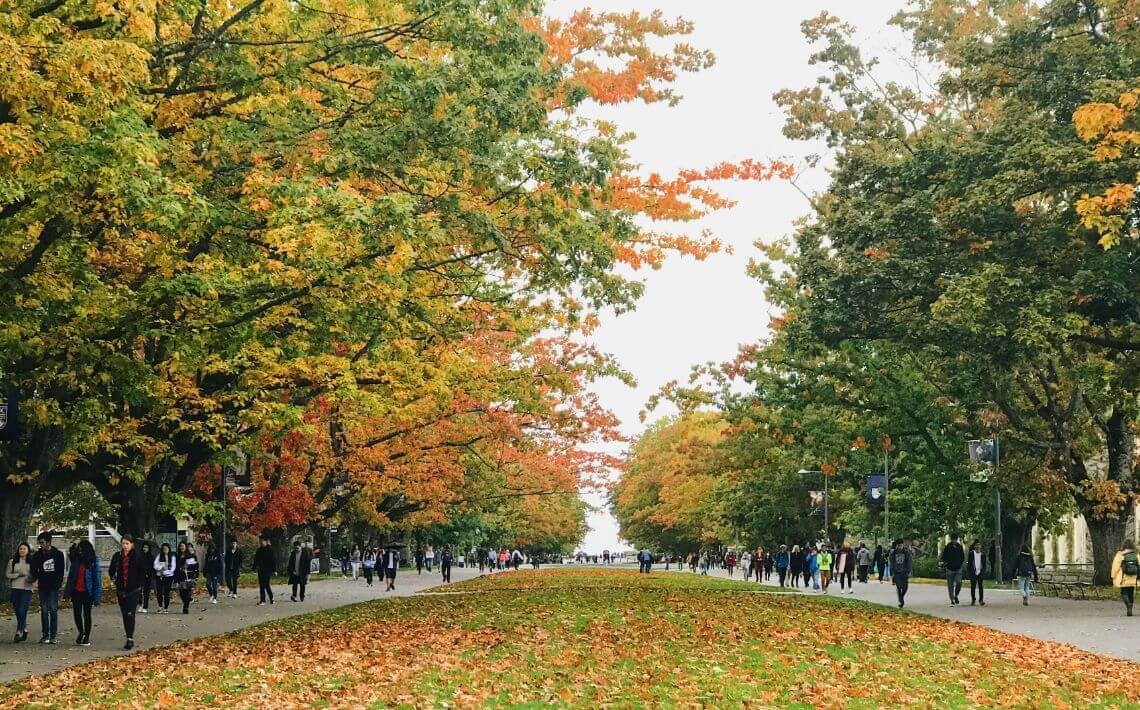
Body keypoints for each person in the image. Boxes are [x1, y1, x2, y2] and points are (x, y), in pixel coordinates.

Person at [108, 536, 146, 650]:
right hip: (121, 589)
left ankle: (130, 638)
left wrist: (139, 585)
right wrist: (114, 579)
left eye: (127, 543)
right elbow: (111, 570)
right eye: (123, 543)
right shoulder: (117, 556)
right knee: (125, 613)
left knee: (130, 613)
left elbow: (142, 572)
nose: (125, 546)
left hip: (133, 590)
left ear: (132, 544)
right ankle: (128, 634)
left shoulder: (137, 556)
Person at [63, 540, 101, 646]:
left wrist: (97, 596)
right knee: (77, 613)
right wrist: (67, 593)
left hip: (88, 591)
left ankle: (86, 636)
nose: (80, 552)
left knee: (87, 614)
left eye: (82, 550)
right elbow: (71, 577)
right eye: (79, 550)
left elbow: (97, 579)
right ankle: (81, 631)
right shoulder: (76, 560)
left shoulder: (93, 561)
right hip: (76, 591)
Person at [30, 532, 65, 644]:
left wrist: (58, 583)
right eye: (39, 543)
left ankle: (53, 636)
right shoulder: (38, 555)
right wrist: (39, 576)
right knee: (44, 610)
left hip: (53, 586)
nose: (41, 545)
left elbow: (61, 571)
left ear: (48, 542)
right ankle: (45, 635)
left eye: (42, 543)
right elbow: (33, 569)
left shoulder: (58, 554)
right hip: (43, 585)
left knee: (53, 609)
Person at [7, 542, 34, 643]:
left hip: (27, 588)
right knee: (17, 610)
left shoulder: (32, 561)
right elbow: (8, 574)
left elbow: (35, 574)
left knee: (23, 609)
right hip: (15, 587)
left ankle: (19, 631)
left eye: (24, 549)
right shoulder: (12, 561)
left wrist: (31, 579)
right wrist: (17, 575)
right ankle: (24, 628)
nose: (22, 550)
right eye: (20, 549)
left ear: (28, 550)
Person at [1111, 540, 1139, 616]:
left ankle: (1128, 605)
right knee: (1131, 592)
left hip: (1123, 577)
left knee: (1124, 592)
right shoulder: (1136, 554)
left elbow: (1115, 566)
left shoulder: (1120, 554)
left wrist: (1113, 576)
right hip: (1133, 577)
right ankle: (1130, 608)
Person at [173, 541, 199, 614]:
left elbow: (196, 566)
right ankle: (186, 602)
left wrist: (195, 575)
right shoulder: (177, 556)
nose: (182, 547)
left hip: (189, 576)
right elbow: (175, 567)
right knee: (182, 593)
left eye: (183, 546)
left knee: (187, 591)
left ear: (186, 547)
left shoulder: (190, 555)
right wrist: (175, 579)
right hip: (180, 576)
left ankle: (186, 607)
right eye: (180, 546)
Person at [941, 533, 966, 606]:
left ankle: (956, 595)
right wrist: (947, 563)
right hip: (949, 569)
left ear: (957, 539)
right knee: (950, 586)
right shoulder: (948, 547)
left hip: (958, 568)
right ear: (951, 539)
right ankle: (952, 600)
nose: (954, 541)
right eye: (953, 539)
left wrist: (960, 563)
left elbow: (962, 557)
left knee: (959, 582)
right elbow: (944, 557)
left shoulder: (959, 547)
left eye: (955, 539)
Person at [253, 536, 276, 605]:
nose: (260, 542)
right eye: (260, 541)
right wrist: (254, 568)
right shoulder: (259, 550)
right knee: (261, 585)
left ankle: (270, 598)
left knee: (266, 584)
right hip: (261, 569)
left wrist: (274, 570)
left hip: (268, 570)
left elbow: (273, 560)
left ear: (266, 541)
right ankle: (263, 600)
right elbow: (256, 559)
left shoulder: (270, 550)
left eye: (262, 541)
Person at [153, 543, 175, 613]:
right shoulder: (159, 556)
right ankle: (160, 606)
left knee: (166, 592)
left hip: (168, 576)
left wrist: (166, 572)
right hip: (159, 576)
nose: (165, 550)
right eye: (163, 549)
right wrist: (161, 568)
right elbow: (155, 565)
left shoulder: (172, 557)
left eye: (166, 549)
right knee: (159, 592)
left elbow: (173, 568)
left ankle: (166, 607)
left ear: (169, 549)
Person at [890, 539, 912, 608]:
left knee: (905, 587)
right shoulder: (893, 553)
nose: (899, 547)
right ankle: (901, 601)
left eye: (901, 545)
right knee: (899, 587)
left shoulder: (906, 552)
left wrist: (908, 571)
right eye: (898, 545)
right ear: (896, 545)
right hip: (897, 572)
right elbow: (891, 563)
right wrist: (892, 572)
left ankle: (901, 597)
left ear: (903, 545)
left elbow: (909, 562)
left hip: (904, 572)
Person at [966, 540, 987, 606]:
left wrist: (983, 572)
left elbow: (984, 565)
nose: (978, 546)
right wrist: (970, 572)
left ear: (980, 546)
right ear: (974, 546)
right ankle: (973, 600)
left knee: (981, 586)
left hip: (980, 572)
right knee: (973, 586)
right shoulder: (971, 554)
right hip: (973, 572)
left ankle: (981, 600)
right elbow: (969, 564)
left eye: (979, 545)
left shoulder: (983, 555)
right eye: (976, 545)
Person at [138, 542, 156, 613]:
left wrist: (149, 574)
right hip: (140, 576)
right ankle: (140, 604)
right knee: (139, 591)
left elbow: (153, 567)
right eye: (144, 547)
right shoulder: (139, 557)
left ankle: (145, 606)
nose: (145, 549)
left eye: (146, 547)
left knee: (146, 592)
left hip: (148, 576)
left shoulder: (151, 557)